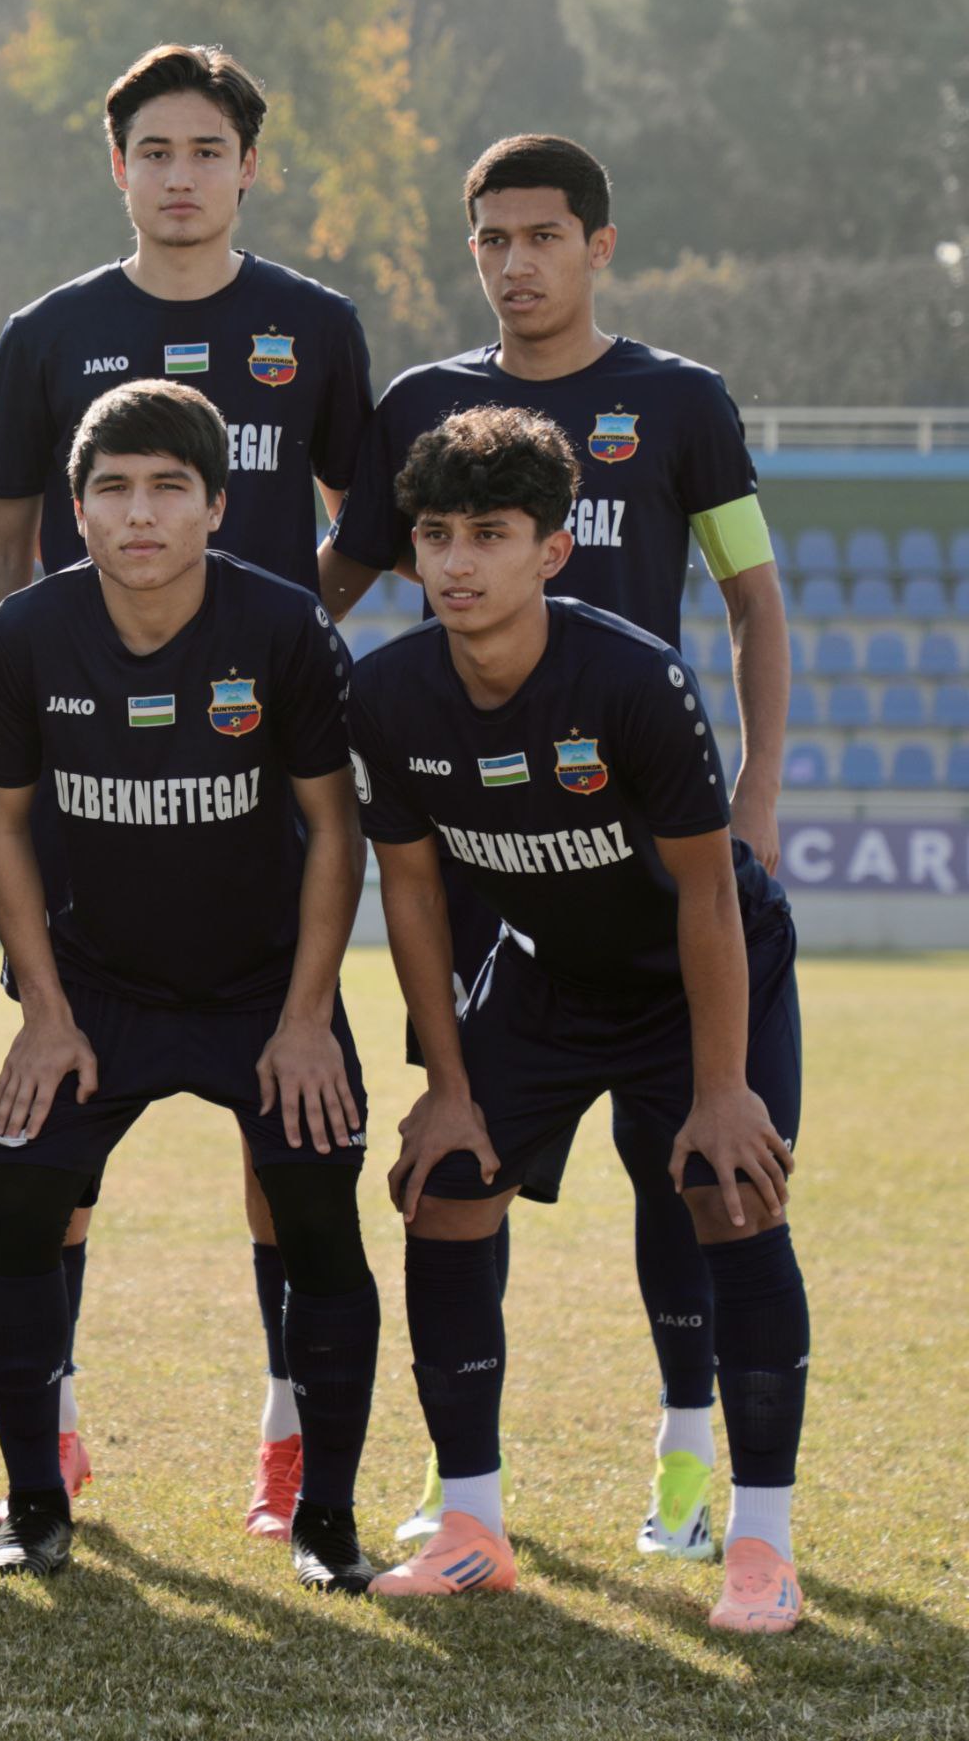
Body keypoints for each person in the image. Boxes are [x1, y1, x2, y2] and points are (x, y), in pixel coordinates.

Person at [320, 133, 791, 1551]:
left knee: (685, 1163)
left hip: (654, 838)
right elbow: (338, 583)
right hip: (486, 859)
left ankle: (689, 1449)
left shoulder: (679, 400)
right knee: (460, 1146)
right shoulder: (422, 405)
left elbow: (753, 599)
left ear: (597, 245)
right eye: (492, 239)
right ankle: (458, 1478)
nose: (516, 264)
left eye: (542, 236)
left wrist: (755, 798)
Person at [0, 43, 377, 1535]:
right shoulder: (51, 331)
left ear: (247, 166)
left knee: (293, 1167)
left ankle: (291, 1451)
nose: (181, 174)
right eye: (155, 149)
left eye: (207, 149)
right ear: (118, 165)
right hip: (91, 785)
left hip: (251, 791)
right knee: (46, 1166)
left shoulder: (313, 325)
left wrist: (271, 635)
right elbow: (1, 545)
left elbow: (368, 518)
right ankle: (50, 1446)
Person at [350, 404, 809, 1636]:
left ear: (551, 550)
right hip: (547, 972)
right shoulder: (386, 693)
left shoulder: (629, 677)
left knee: (732, 1194)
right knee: (446, 1183)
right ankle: (469, 1525)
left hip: (694, 972)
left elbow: (708, 893)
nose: (455, 562)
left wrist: (723, 1088)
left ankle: (759, 1544)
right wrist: (447, 1084)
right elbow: (411, 895)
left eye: (488, 534)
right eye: (434, 535)